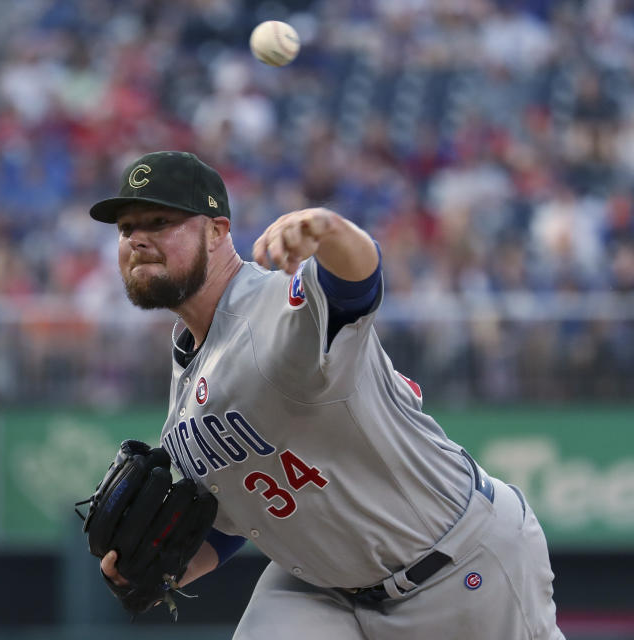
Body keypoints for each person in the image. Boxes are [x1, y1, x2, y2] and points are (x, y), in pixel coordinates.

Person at [88, 150, 563, 639]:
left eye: (160, 221)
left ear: (216, 231)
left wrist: (330, 232)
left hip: (457, 566)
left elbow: (356, 285)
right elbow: (233, 516)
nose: (138, 238)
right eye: (126, 228)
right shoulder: (187, 373)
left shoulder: (271, 307)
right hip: (321, 589)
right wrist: (166, 568)